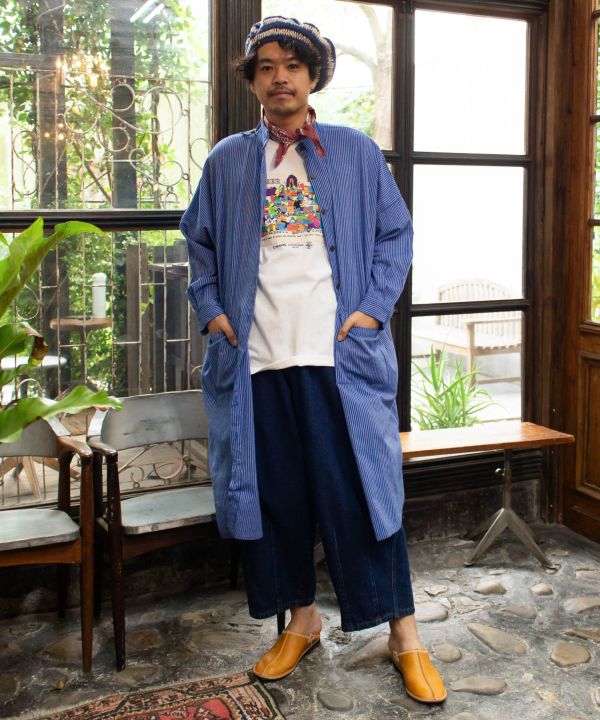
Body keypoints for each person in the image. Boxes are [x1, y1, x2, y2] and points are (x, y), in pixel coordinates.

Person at [180, 15, 447, 705]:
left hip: (339, 358)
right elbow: (198, 245)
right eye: (266, 67)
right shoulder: (227, 161)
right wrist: (213, 311)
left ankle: (405, 634)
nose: (280, 78)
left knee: (362, 492)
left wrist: (372, 310)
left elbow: (395, 234)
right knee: (276, 498)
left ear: (313, 76)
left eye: (292, 65)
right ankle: (301, 621)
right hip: (256, 359)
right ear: (253, 81)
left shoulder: (355, 152)